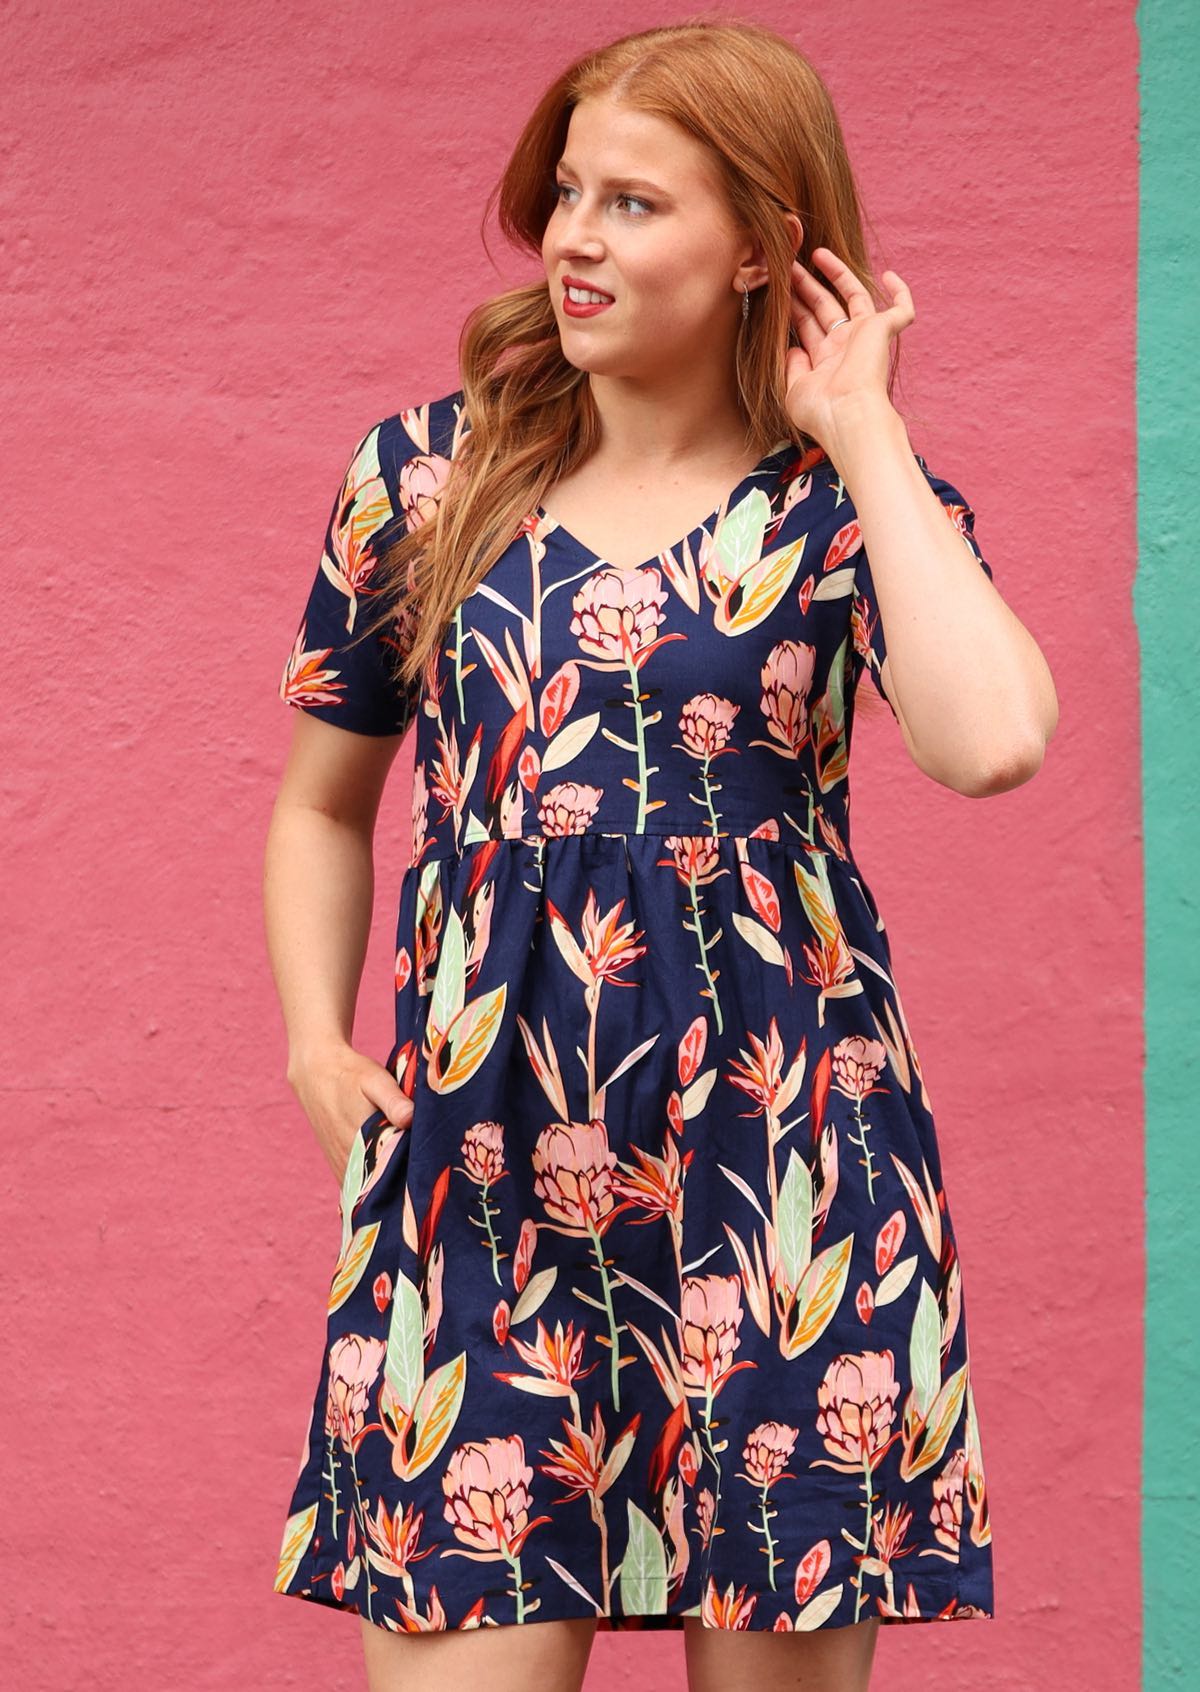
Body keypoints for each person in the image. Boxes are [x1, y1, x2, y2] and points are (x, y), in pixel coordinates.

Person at [265, 18, 1057, 1692]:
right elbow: (324, 799)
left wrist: (866, 435)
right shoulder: (425, 481)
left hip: (785, 1179)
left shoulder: (846, 511)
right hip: (480, 1173)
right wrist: (315, 1047)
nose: (572, 239)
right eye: (568, 194)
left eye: (634, 204)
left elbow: (991, 741)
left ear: (767, 241)